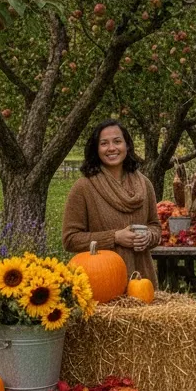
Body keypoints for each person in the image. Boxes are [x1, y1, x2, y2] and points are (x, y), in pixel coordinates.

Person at [62, 119, 162, 285]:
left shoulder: (145, 185)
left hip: (142, 280)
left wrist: (149, 236)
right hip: (101, 282)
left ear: (127, 146)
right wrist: (115, 237)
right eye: (104, 143)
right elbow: (70, 240)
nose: (111, 148)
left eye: (117, 141)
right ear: (96, 149)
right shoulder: (84, 188)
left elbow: (155, 226)